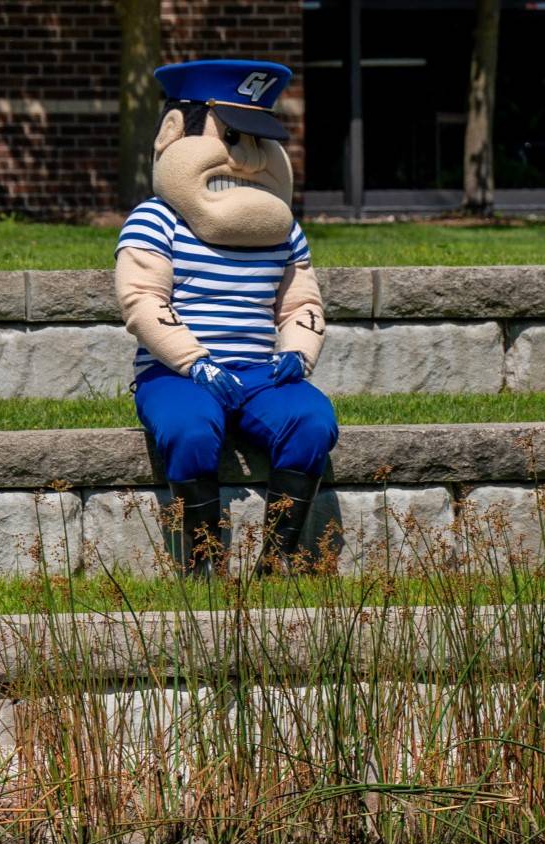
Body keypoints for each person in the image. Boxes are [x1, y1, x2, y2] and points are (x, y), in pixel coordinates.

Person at [115, 58, 338, 574]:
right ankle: (204, 562)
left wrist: (297, 353)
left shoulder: (284, 231)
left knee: (312, 421)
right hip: (176, 374)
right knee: (189, 427)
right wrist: (193, 361)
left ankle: (278, 559)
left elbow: (301, 303)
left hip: (261, 372)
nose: (248, 159)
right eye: (233, 137)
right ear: (174, 133)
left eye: (261, 142)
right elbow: (143, 299)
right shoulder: (157, 220)